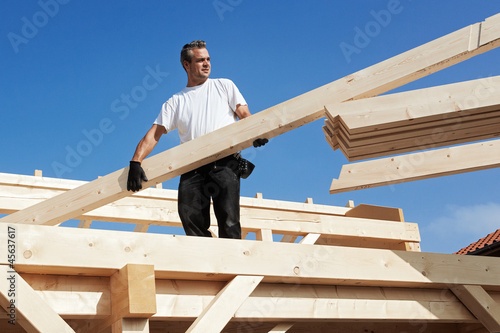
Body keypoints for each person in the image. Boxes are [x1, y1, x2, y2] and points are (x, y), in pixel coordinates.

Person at [127, 40, 267, 239]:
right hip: (192, 168)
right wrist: (135, 161)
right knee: (190, 219)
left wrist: (256, 132)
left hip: (225, 163)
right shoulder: (175, 102)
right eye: (201, 60)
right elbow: (153, 135)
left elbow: (244, 113)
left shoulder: (224, 86)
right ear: (187, 64)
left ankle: (233, 266)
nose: (207, 63)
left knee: (228, 220)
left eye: (208, 59)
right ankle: (208, 265)